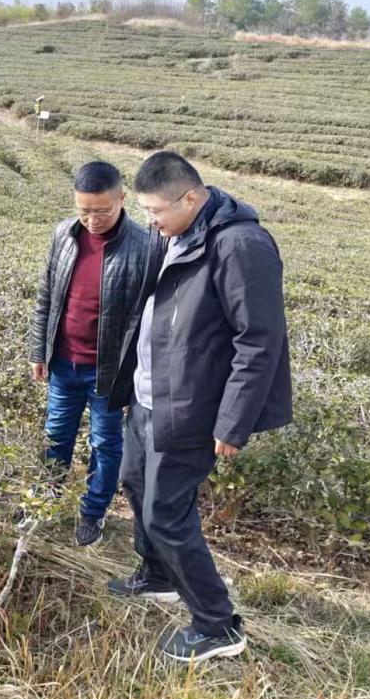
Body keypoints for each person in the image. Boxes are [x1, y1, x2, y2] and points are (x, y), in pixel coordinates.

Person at [106, 152, 292, 664]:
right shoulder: (174, 233)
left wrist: (233, 422)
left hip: (192, 407)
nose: (150, 221)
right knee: (135, 484)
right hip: (149, 395)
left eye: (156, 211)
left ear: (190, 198)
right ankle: (159, 576)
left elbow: (259, 341)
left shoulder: (241, 245)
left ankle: (217, 625)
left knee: (166, 513)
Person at [29, 161, 152, 546]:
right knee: (55, 436)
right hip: (63, 363)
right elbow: (47, 296)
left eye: (102, 211)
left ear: (121, 199)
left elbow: (148, 319)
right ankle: (43, 502)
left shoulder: (144, 245)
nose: (93, 220)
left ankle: (92, 513)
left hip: (108, 372)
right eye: (84, 211)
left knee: (105, 445)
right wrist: (39, 351)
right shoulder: (64, 235)